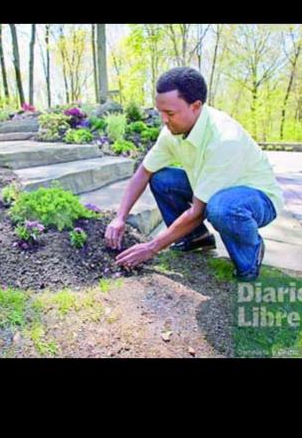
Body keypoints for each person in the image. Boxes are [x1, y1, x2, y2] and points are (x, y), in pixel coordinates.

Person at [105, 67, 284, 281]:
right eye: (160, 111)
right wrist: (120, 217)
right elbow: (144, 172)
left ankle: (250, 254)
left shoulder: (224, 139)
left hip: (256, 198)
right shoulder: (171, 132)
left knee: (221, 208)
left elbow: (199, 211)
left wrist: (152, 247)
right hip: (211, 186)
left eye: (170, 113)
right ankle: (194, 238)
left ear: (196, 106)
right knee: (161, 178)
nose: (163, 119)